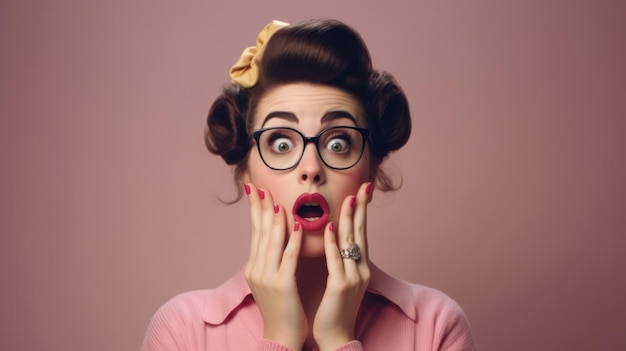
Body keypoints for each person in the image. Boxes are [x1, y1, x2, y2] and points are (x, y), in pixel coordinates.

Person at [141, 19, 476, 351]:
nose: (311, 169)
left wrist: (339, 339)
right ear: (245, 170)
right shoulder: (182, 332)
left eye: (338, 144)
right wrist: (280, 336)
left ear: (371, 170)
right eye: (281, 144)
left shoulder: (436, 327)